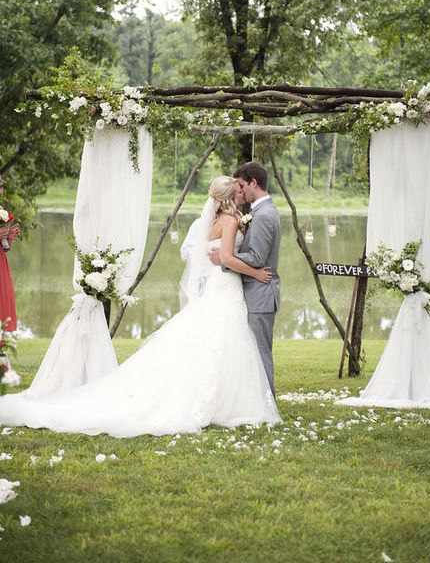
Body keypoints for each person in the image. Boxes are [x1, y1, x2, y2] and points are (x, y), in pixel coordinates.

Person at [0, 176, 281, 437]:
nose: (242, 193)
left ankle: (223, 399)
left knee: (217, 344)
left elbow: (217, 254)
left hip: (220, 289)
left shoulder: (213, 220)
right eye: (238, 191)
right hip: (225, 288)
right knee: (224, 342)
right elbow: (228, 259)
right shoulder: (231, 221)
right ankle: (225, 403)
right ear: (230, 197)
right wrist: (256, 273)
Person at [210, 162, 281, 396]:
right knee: (250, 353)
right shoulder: (258, 212)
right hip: (252, 292)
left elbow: (258, 257)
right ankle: (253, 399)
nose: (239, 191)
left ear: (253, 183)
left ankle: (267, 403)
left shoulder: (264, 215)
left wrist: (225, 258)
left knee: (260, 355)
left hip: (260, 293)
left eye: (241, 185)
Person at [0, 175, 20, 333]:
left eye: (1, 186)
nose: (1, 190)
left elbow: (5, 247)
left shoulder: (1, 210)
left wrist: (9, 237)